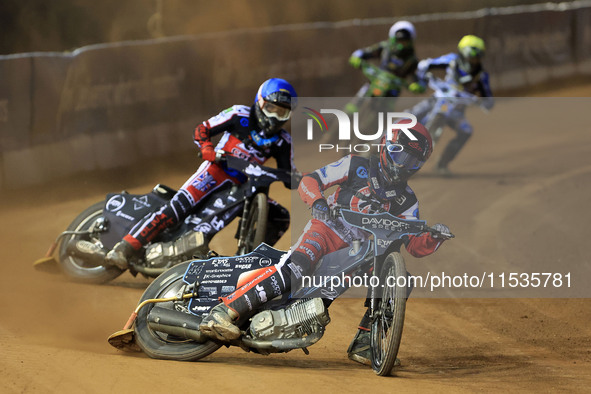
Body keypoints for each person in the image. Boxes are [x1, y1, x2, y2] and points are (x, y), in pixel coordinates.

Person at [199, 119, 451, 367]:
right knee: (295, 269)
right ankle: (224, 312)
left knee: (398, 280)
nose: (404, 165)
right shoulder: (356, 164)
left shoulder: (408, 200)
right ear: (386, 145)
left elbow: (415, 245)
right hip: (327, 231)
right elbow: (311, 180)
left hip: (360, 255)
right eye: (400, 155)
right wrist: (318, 202)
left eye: (412, 161)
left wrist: (434, 237)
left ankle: (365, 343)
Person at [105, 78, 298, 269]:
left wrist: (303, 179)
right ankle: (124, 247)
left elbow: (289, 174)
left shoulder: (284, 141)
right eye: (272, 109)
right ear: (260, 102)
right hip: (214, 171)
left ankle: (250, 262)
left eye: (282, 113)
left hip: (242, 188)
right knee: (176, 209)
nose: (274, 117)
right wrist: (207, 148)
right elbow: (203, 129)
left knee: (280, 216)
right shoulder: (240, 114)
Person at [411, 34, 494, 176]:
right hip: (438, 100)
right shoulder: (452, 60)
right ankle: (383, 146)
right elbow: (426, 64)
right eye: (471, 55)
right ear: (463, 52)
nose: (473, 60)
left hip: (457, 111)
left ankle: (441, 165)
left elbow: (488, 99)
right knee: (409, 118)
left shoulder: (481, 75)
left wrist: (483, 102)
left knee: (466, 131)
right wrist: (423, 79)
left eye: (477, 56)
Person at [345, 20, 425, 114]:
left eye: (404, 41)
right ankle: (346, 116)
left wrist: (417, 85)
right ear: (393, 38)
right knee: (364, 91)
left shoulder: (412, 59)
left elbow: (416, 76)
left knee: (388, 107)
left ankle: (379, 124)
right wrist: (357, 57)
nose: (401, 44)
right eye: (399, 40)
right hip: (377, 79)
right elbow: (366, 52)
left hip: (393, 88)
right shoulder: (385, 47)